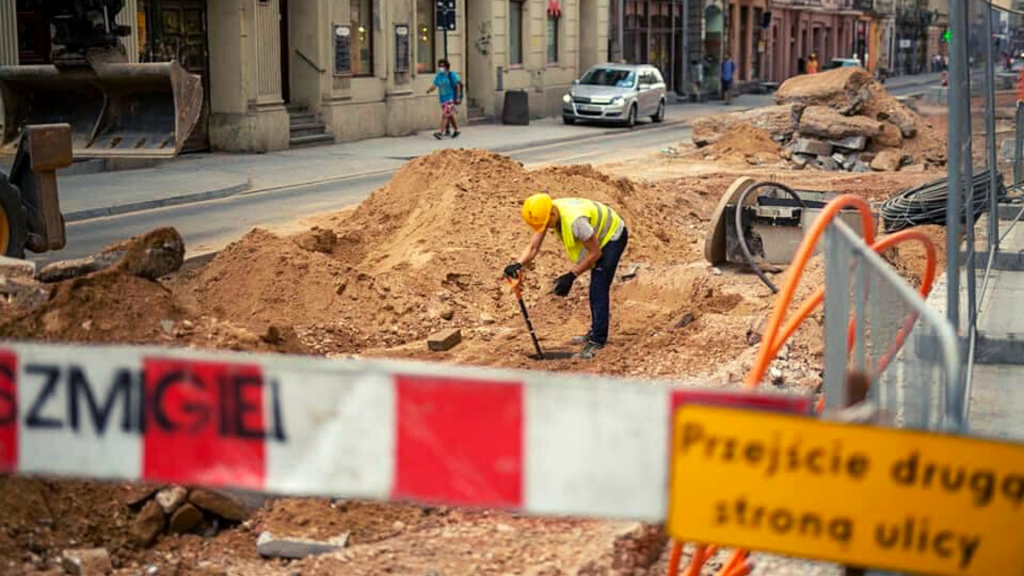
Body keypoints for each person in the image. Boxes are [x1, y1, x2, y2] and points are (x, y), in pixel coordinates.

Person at [503, 194, 629, 359]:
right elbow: (533, 247)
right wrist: (518, 264)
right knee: (596, 285)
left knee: (598, 288)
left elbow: (596, 253)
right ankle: (595, 332)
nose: (546, 228)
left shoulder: (576, 222)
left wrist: (571, 276)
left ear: (553, 214)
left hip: (613, 236)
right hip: (596, 237)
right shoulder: (546, 211)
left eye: (547, 225)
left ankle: (598, 339)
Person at [426, 58, 462, 140]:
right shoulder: (439, 76)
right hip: (442, 99)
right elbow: (435, 85)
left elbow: (458, 86)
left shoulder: (452, 75)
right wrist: (429, 90)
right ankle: (456, 130)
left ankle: (441, 132)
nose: (441, 68)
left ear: (446, 66)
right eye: (439, 66)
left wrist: (458, 97)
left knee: (445, 115)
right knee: (450, 115)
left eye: (442, 66)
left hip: (450, 98)